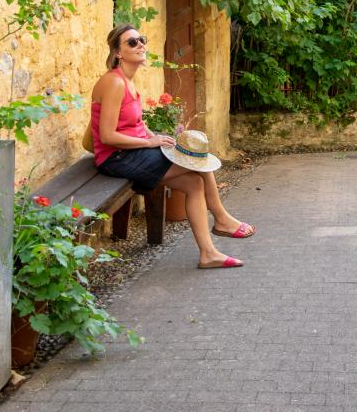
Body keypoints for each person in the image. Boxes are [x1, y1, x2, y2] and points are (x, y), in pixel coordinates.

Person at [90, 24, 255, 269]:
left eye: (142, 39)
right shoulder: (114, 83)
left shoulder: (128, 81)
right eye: (132, 42)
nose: (140, 45)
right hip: (117, 158)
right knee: (198, 162)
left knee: (194, 182)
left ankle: (208, 253)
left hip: (133, 152)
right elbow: (107, 136)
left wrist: (152, 134)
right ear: (118, 53)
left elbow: (134, 122)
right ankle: (221, 219)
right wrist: (150, 141)